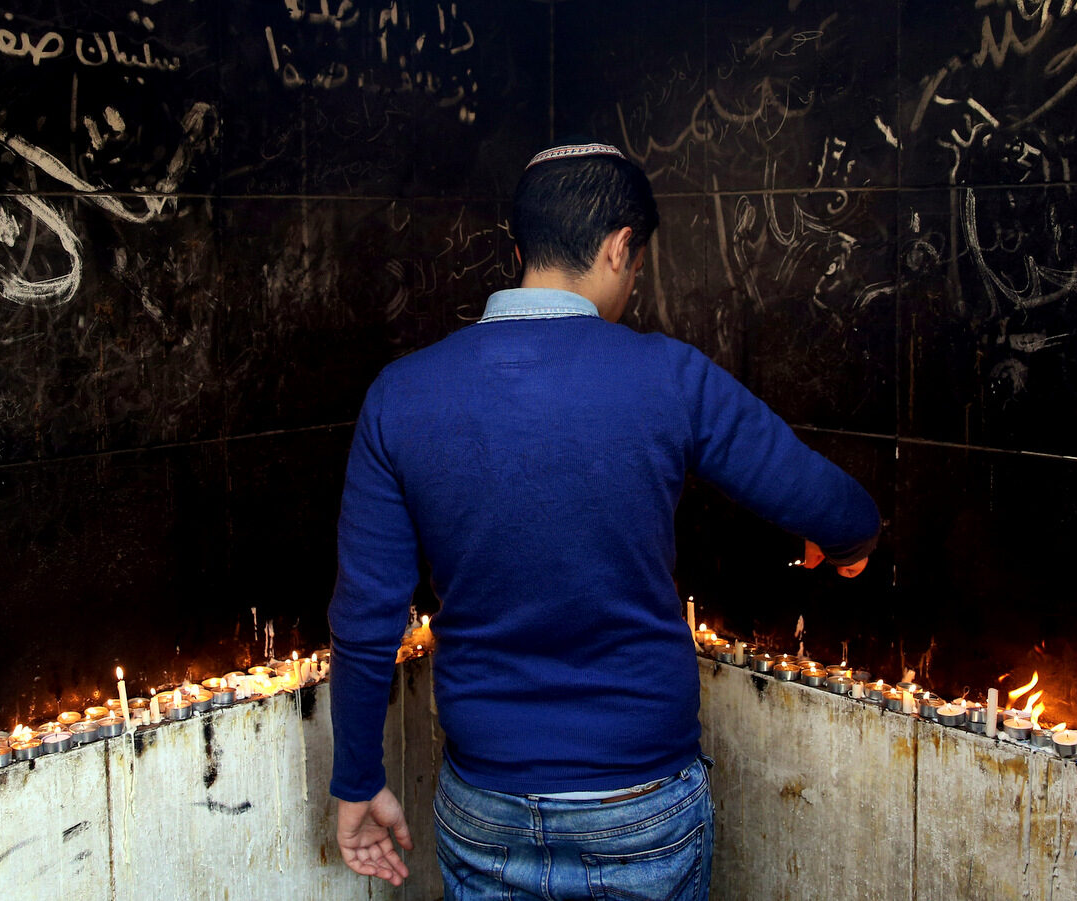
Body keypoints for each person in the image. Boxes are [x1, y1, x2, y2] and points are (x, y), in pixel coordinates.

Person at [327, 141, 880, 899]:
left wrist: (357, 779)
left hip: (486, 805)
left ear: (520, 251)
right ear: (622, 247)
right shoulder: (669, 376)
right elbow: (836, 507)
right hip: (639, 806)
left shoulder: (400, 394)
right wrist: (849, 541)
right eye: (638, 263)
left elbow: (365, 618)